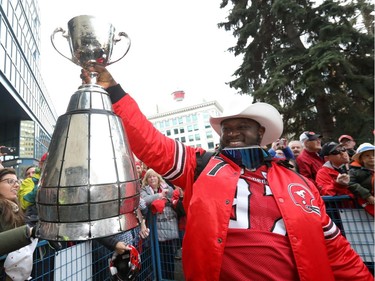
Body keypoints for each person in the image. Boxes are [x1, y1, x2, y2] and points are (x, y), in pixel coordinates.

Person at [81, 65, 372, 280]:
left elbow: (337, 252)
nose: (231, 133)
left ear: (260, 132)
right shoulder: (202, 165)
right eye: (226, 128)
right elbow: (149, 141)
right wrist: (113, 89)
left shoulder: (299, 183)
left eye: (241, 126)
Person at [140, 168, 179, 280]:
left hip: (168, 227)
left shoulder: (165, 186)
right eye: (149, 177)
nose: (152, 178)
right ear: (146, 180)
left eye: (154, 176)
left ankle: (169, 277)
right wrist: (159, 196)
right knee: (158, 257)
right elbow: (144, 200)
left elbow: (173, 194)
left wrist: (167, 193)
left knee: (169, 257)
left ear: (158, 178)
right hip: (155, 230)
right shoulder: (144, 190)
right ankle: (159, 277)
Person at [349, 143, 375, 216]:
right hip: (366, 201)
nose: (371, 157)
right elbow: (351, 183)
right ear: (361, 159)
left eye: (373, 155)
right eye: (367, 155)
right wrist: (367, 196)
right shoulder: (354, 171)